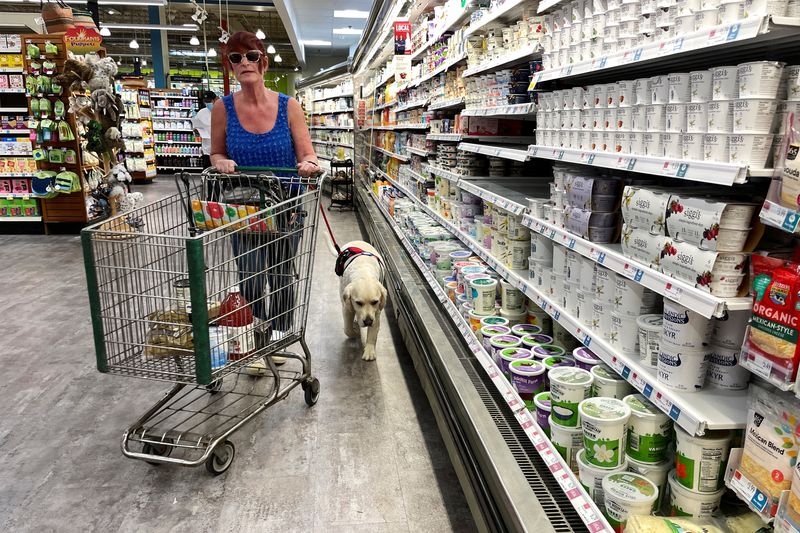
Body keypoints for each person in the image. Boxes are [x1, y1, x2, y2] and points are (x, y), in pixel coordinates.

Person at [210, 31, 319, 367]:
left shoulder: (290, 106)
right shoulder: (222, 108)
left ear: (264, 62)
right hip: (243, 208)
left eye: (251, 56)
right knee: (252, 274)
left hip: (285, 206)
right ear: (230, 67)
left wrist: (309, 165)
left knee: (282, 273)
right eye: (236, 58)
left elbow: (308, 153)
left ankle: (280, 336)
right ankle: (255, 339)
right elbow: (215, 152)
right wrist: (220, 161)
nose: (244, 63)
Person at [192, 90, 218, 169]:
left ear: (215, 100)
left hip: (220, 150)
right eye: (205, 101)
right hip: (207, 149)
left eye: (209, 101)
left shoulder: (221, 111)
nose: (207, 103)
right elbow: (195, 130)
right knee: (207, 172)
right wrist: (196, 131)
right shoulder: (201, 112)